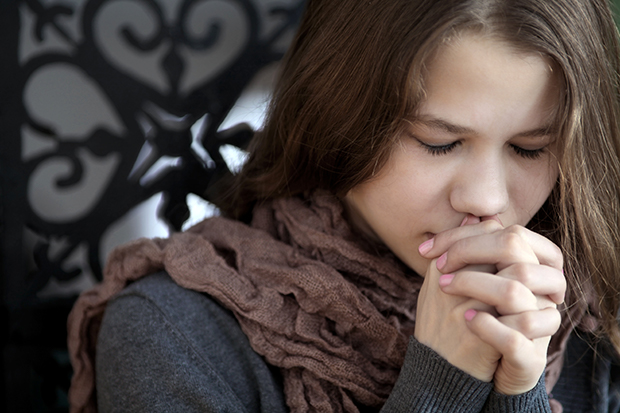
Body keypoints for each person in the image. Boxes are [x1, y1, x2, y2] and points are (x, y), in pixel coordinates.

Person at [67, 0, 620, 412]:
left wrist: (518, 393)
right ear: (338, 119)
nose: (487, 200)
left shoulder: (588, 318)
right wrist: (442, 383)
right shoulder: (174, 334)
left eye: (530, 148)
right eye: (439, 142)